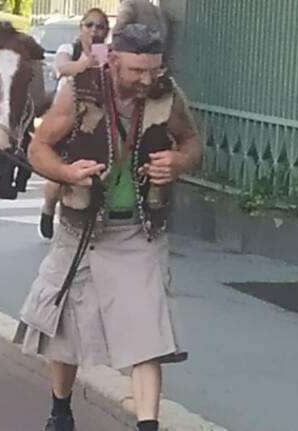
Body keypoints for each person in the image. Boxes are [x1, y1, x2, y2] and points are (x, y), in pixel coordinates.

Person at [14, 24, 202, 431]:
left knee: (147, 333)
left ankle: (147, 426)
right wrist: (66, 172)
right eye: (136, 70)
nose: (146, 79)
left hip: (139, 231)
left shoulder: (166, 96)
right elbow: (38, 147)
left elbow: (192, 143)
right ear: (113, 60)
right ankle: (60, 412)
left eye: (152, 69)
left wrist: (180, 163)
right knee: (63, 332)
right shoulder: (79, 92)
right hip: (81, 230)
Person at [38, 8, 110, 240]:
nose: (94, 31)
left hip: (94, 119)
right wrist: (87, 63)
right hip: (65, 118)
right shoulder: (70, 49)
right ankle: (48, 208)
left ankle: (87, 219)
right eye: (89, 25)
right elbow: (63, 67)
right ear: (81, 28)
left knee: (90, 170)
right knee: (58, 176)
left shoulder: (108, 54)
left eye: (100, 26)